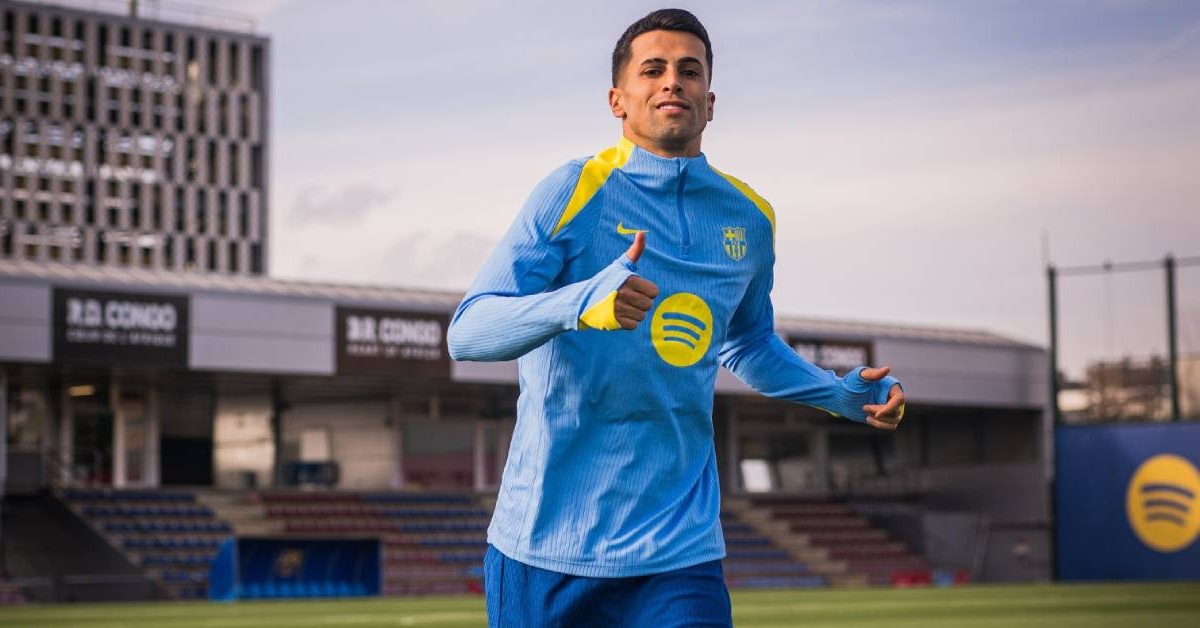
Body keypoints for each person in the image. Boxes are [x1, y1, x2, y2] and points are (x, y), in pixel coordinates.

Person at [448, 8, 906, 627]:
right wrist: (579, 303)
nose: (673, 82)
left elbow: (748, 343)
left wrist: (837, 395)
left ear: (709, 102)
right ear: (617, 99)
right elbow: (469, 332)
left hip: (678, 550)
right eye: (653, 69)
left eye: (690, 71)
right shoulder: (573, 190)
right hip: (545, 546)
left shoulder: (749, 217)